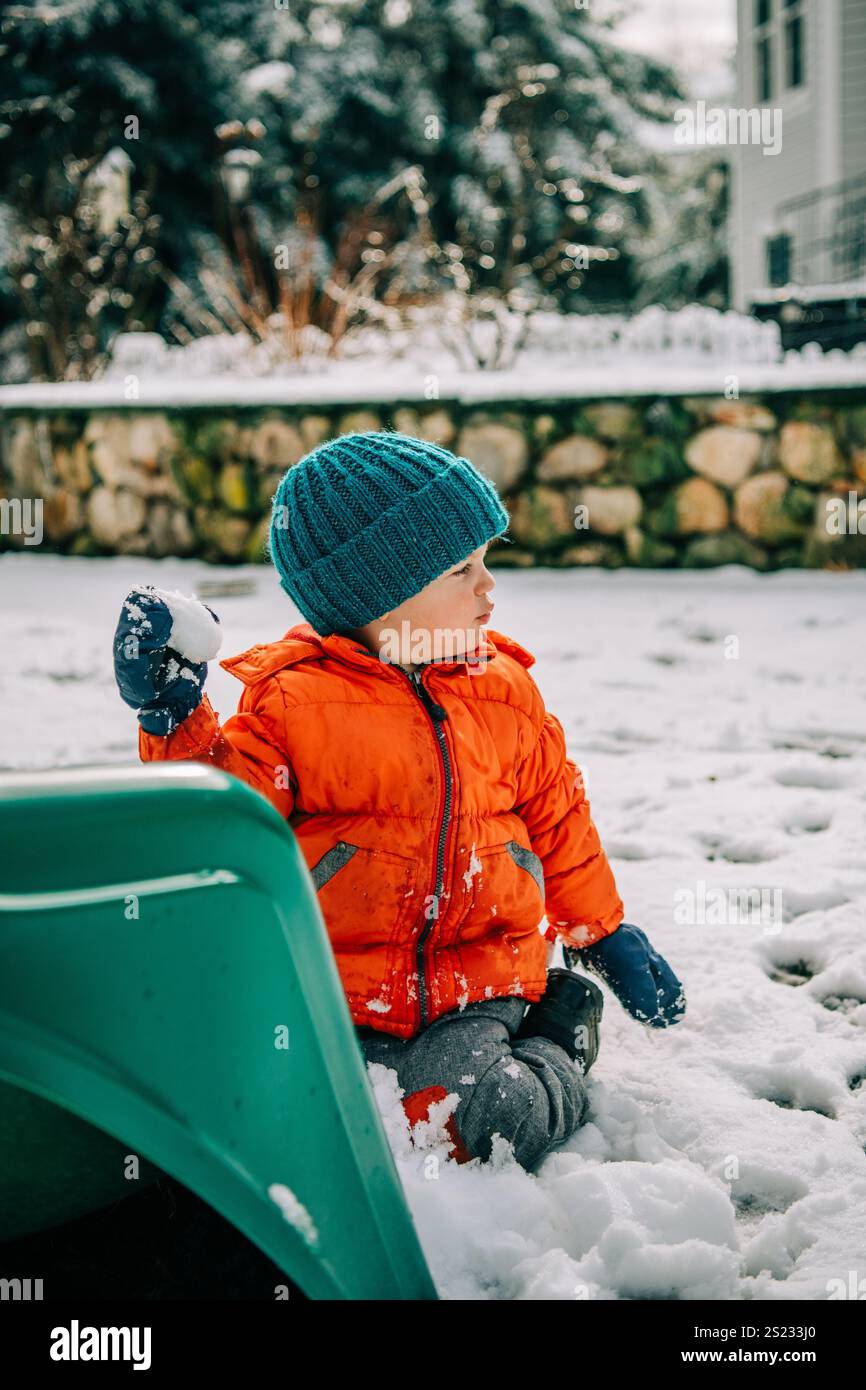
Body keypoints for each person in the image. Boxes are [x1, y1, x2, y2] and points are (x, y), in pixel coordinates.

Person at [112, 430, 685, 1171]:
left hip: (476, 980)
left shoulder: (504, 691)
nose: (489, 588)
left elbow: (557, 815)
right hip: (334, 989)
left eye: (487, 561)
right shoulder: (292, 704)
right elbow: (220, 821)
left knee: (466, 1123)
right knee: (262, 1107)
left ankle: (558, 1039)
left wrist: (602, 932)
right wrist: (173, 720)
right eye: (461, 569)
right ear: (378, 594)